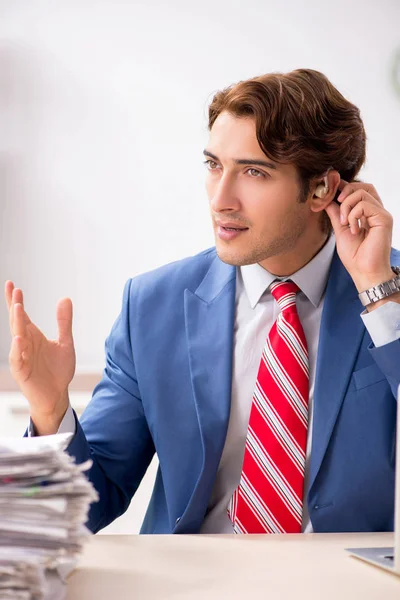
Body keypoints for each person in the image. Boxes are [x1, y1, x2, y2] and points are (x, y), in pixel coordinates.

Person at [5, 68, 400, 535]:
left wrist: (379, 295)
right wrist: (51, 413)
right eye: (214, 165)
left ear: (322, 189)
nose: (220, 198)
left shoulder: (387, 292)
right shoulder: (154, 306)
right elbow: (87, 506)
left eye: (254, 172)